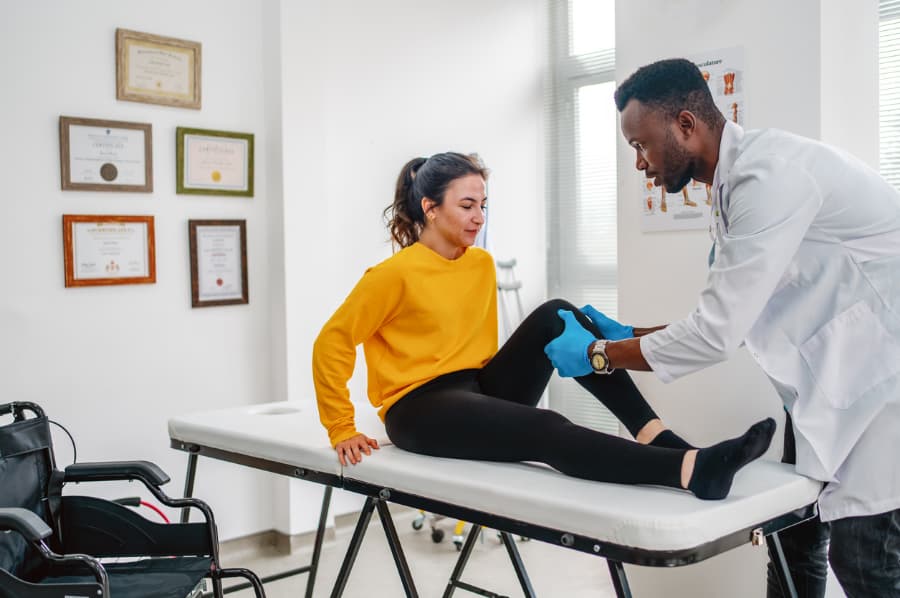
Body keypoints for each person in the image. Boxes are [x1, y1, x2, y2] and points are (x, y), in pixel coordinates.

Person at [544, 58, 900, 597]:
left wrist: (601, 355)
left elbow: (716, 333)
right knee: (792, 539)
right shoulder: (734, 188)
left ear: (686, 125)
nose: (639, 164)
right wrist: (626, 334)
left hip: (880, 385)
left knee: (865, 559)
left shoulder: (770, 176)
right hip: (829, 383)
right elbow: (731, 311)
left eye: (640, 145)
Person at [312, 151, 775, 502]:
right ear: (430, 209)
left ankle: (657, 434)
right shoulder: (393, 275)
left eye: (483, 205)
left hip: (475, 390)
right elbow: (332, 341)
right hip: (419, 411)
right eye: (467, 205)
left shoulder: (481, 264)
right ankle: (691, 471)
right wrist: (341, 427)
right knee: (547, 426)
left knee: (558, 314)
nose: (479, 217)